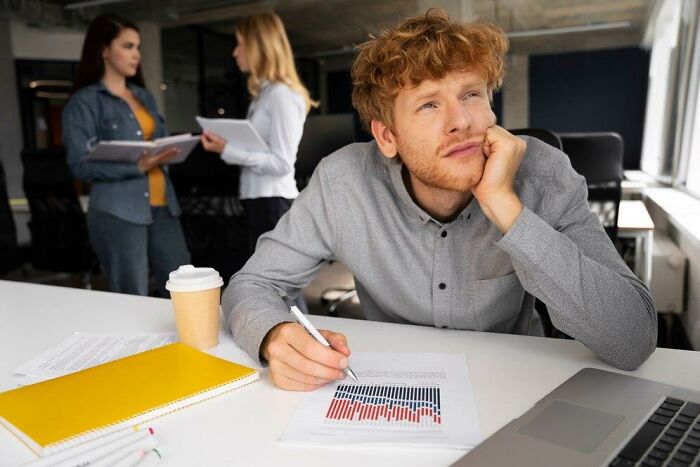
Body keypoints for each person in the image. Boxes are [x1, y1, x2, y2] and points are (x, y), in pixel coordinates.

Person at [223, 9, 657, 391]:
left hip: (517, 386)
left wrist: (506, 206)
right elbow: (251, 284)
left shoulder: (544, 175)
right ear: (387, 136)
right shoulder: (344, 182)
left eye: (471, 94)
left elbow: (633, 338)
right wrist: (272, 334)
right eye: (429, 105)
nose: (462, 122)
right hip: (391, 389)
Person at [63, 14, 190, 297]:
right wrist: (138, 166)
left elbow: (158, 140)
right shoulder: (84, 102)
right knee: (131, 294)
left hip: (164, 206)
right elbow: (79, 166)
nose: (137, 55)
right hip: (118, 211)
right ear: (104, 50)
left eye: (138, 47)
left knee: (185, 290)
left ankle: (190, 343)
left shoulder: (143, 96)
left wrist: (169, 150)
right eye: (128, 46)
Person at [200, 12, 318, 258]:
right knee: (273, 287)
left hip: (272, 202)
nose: (235, 52)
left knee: (280, 288)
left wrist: (227, 150)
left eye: (240, 44)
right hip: (261, 200)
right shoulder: (265, 95)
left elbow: (281, 163)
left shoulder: (280, 95)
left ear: (259, 46)